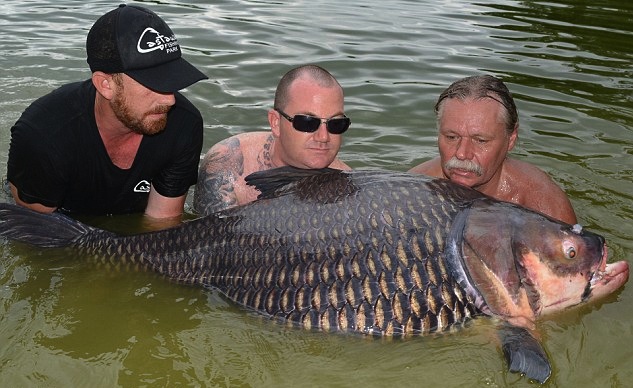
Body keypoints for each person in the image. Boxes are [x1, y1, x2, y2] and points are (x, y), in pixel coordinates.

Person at [6, 4, 208, 225]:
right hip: (60, 221)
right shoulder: (43, 136)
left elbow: (160, 224)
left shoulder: (184, 124)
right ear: (105, 84)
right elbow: (36, 239)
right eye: (154, 84)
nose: (169, 100)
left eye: (173, 81)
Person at [409, 75, 577, 224]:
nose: (461, 153)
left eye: (480, 140)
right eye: (451, 137)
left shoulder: (544, 206)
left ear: (511, 139)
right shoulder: (413, 193)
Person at [193, 64, 351, 215]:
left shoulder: (348, 185)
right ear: (275, 122)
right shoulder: (227, 165)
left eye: (336, 124)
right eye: (307, 122)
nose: (323, 137)